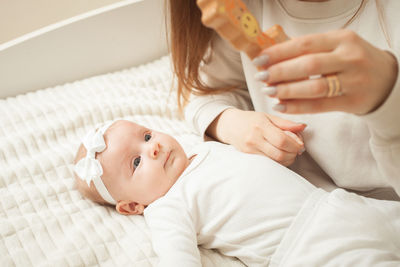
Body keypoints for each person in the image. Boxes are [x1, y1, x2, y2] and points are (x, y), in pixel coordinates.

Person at [73, 120, 400, 266]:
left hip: (337, 205)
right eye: (136, 162)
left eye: (146, 136)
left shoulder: (204, 149)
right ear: (132, 205)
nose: (154, 147)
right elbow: (178, 259)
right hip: (308, 248)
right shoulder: (167, 207)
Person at [167, 0, 400, 199]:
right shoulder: (244, 9)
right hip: (309, 207)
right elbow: (204, 92)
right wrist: (232, 123)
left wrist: (389, 103)